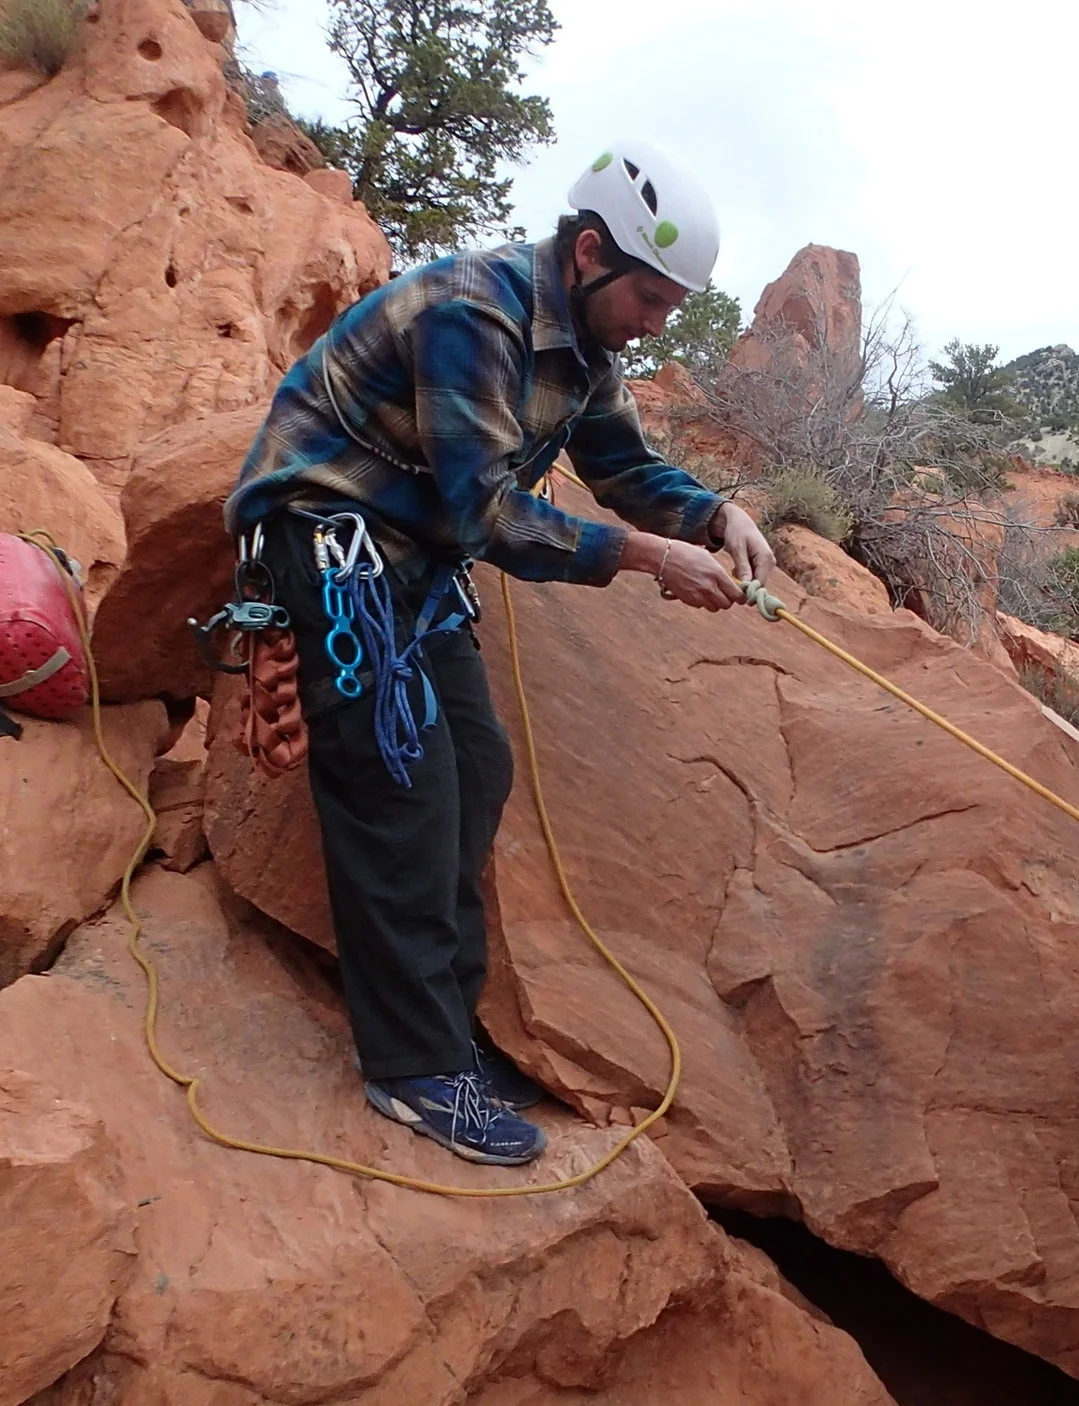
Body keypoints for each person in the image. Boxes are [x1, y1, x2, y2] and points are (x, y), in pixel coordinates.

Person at [221, 141, 776, 1167]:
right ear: (592, 251)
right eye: (651, 298)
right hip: (327, 533)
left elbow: (622, 464)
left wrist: (713, 516)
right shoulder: (473, 311)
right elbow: (482, 511)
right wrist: (648, 557)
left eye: (670, 306)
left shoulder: (587, 346)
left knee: (474, 769)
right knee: (401, 781)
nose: (658, 323)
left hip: (412, 555)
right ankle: (412, 1069)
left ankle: (443, 1033)